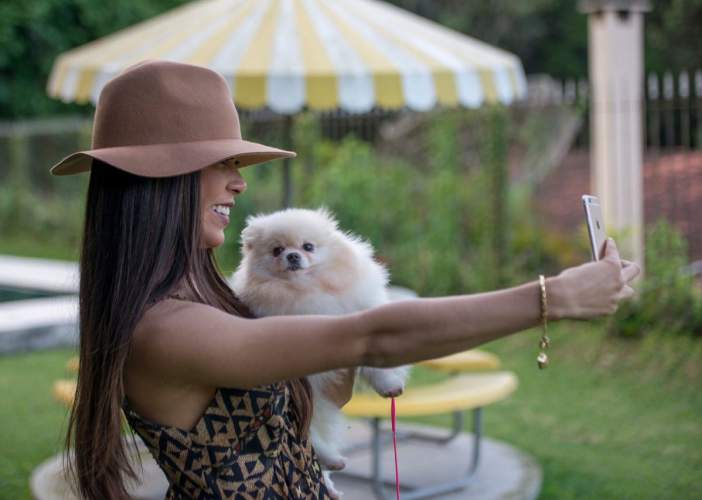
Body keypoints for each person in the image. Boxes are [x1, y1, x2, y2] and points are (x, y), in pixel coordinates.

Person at [50, 60, 641, 500]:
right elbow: (371, 337)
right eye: (224, 162)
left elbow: (324, 390)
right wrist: (552, 297)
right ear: (162, 178)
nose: (240, 183)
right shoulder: (166, 329)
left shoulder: (206, 298)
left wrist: (329, 295)